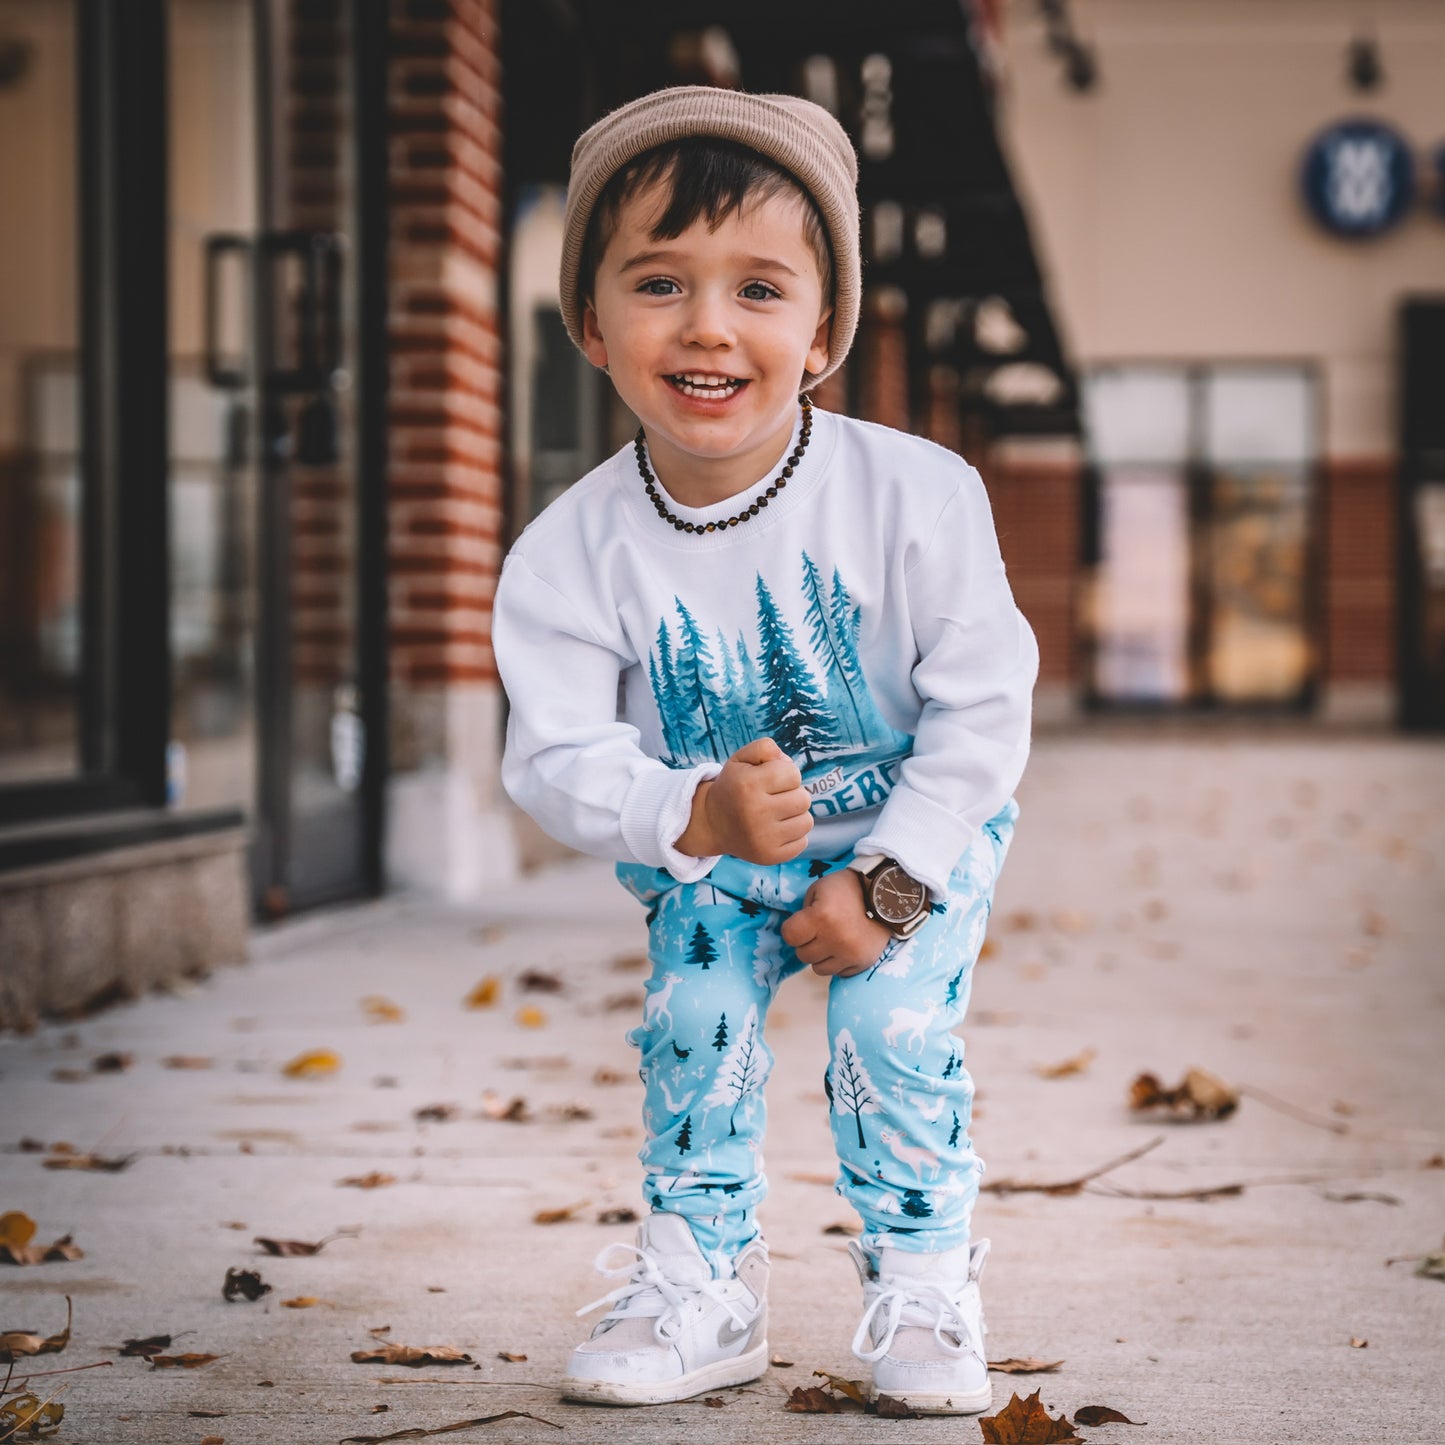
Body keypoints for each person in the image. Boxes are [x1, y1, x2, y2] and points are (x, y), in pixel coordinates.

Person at [492, 84, 1038, 1414]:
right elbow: (552, 757)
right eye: (658, 283)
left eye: (757, 288)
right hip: (712, 851)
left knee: (889, 1026)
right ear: (590, 323)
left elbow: (984, 710)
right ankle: (701, 1279)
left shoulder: (917, 495)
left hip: (911, 836)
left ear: (824, 328)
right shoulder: (570, 551)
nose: (707, 325)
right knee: (698, 1023)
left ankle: (922, 1279)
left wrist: (889, 883)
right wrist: (688, 811)